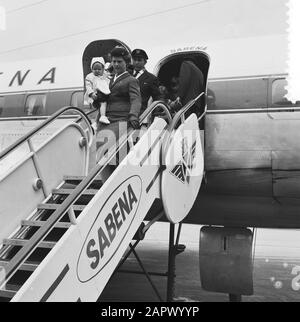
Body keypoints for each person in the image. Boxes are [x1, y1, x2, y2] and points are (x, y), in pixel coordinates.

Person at [95, 46, 142, 164]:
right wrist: (97, 99)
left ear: (126, 62)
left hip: (120, 119)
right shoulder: (108, 81)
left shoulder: (131, 80)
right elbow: (103, 100)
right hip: (106, 121)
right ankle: (108, 179)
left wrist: (133, 115)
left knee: (110, 149)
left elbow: (136, 99)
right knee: (102, 153)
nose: (116, 64)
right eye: (114, 61)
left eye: (119, 61)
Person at [131, 49, 161, 113]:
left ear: (145, 62)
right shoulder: (126, 74)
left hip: (139, 115)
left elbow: (158, 97)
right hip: (123, 115)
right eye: (134, 60)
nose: (136, 62)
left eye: (139, 60)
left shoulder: (151, 78)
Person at [85, 57, 111, 127]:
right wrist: (91, 93)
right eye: (94, 69)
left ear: (103, 69)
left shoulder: (105, 74)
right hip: (95, 95)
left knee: (102, 107)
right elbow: (88, 86)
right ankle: (102, 116)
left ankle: (96, 123)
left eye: (99, 69)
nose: (97, 71)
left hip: (104, 93)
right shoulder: (89, 77)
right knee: (103, 103)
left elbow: (110, 76)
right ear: (91, 69)